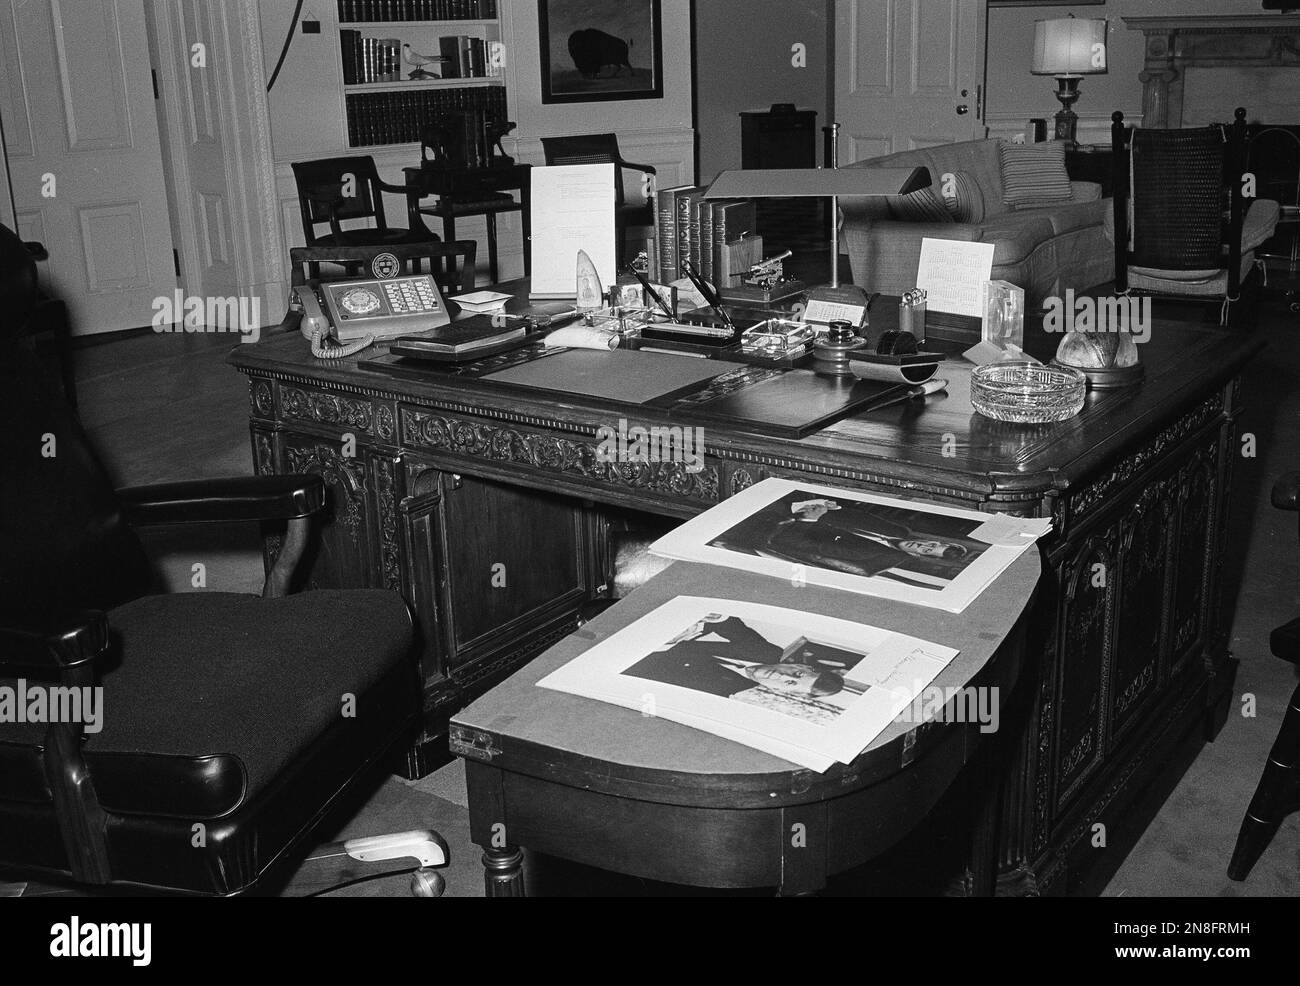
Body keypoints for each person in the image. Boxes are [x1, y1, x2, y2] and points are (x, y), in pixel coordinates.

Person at [624, 614, 845, 699]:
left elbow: (645, 675)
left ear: (781, 691)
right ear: (799, 664)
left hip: (630, 655)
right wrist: (710, 619)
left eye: (790, 683)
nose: (779, 676)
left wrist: (669, 641)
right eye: (796, 673)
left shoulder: (721, 690)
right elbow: (730, 624)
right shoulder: (767, 651)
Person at [763, 498, 978, 584]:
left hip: (779, 528)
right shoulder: (897, 529)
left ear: (917, 555)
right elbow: (849, 512)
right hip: (802, 507)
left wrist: (807, 519)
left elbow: (803, 545)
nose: (923, 546)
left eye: (928, 551)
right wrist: (827, 507)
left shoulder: (879, 557)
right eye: (931, 544)